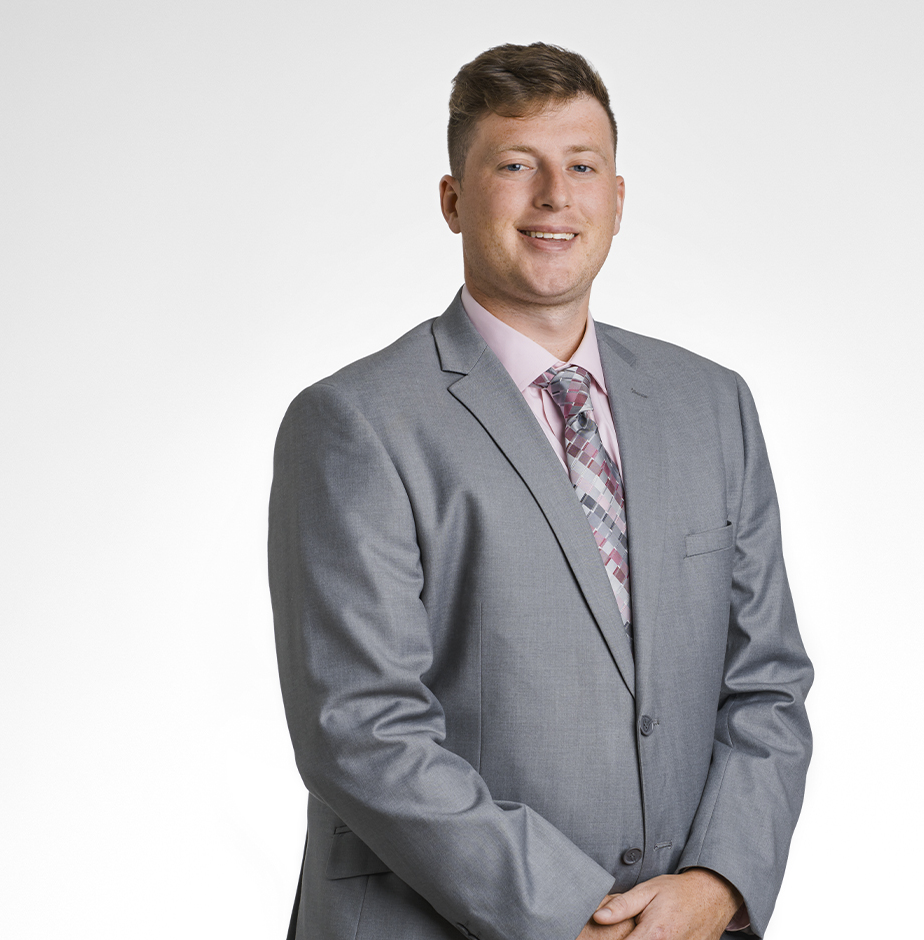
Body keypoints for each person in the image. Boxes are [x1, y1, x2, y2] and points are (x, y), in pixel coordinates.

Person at [268, 42, 813, 940]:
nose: (556, 196)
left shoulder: (713, 405)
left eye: (582, 167)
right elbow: (359, 730)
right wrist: (575, 918)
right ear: (453, 200)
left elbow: (767, 685)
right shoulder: (354, 423)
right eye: (516, 165)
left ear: (618, 199)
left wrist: (717, 883)